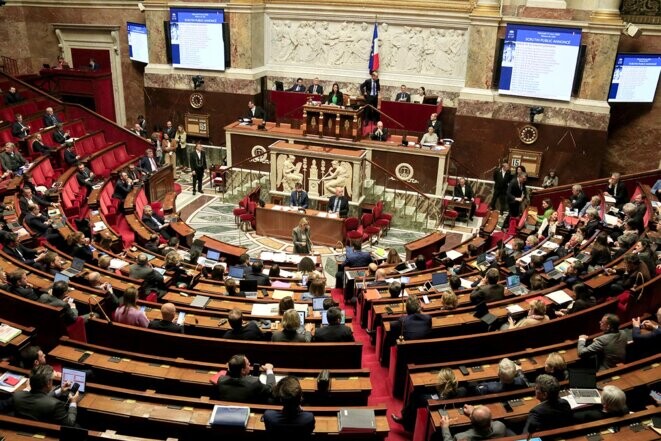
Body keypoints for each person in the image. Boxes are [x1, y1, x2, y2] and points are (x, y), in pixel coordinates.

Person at [393, 368, 467, 431]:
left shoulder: (425, 399)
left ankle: (407, 423)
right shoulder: (463, 390)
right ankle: (406, 419)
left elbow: (436, 397)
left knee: (415, 395)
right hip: (445, 403)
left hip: (438, 409)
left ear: (441, 383)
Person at [11, 364, 81, 426]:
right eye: (52, 380)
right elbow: (70, 423)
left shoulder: (17, 396)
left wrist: (60, 391)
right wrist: (73, 402)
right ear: (48, 383)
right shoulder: (55, 404)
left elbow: (39, 398)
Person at [440, 404, 510, 440]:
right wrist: (474, 413)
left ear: (470, 418)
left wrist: (445, 428)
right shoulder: (500, 427)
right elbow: (486, 419)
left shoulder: (461, 437)